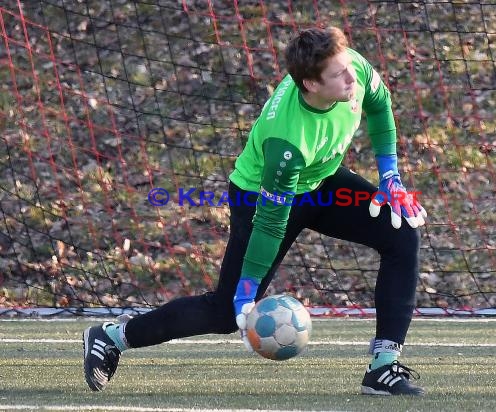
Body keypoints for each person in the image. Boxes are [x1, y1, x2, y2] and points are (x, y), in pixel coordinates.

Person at [83, 26, 427, 396]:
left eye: (348, 67)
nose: (351, 77)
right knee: (225, 312)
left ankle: (383, 367)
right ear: (310, 85)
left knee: (402, 232)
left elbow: (380, 104)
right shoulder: (287, 142)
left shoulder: (351, 67)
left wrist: (389, 173)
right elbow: (270, 222)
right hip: (261, 200)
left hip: (321, 180)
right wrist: (247, 293)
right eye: (338, 75)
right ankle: (112, 336)